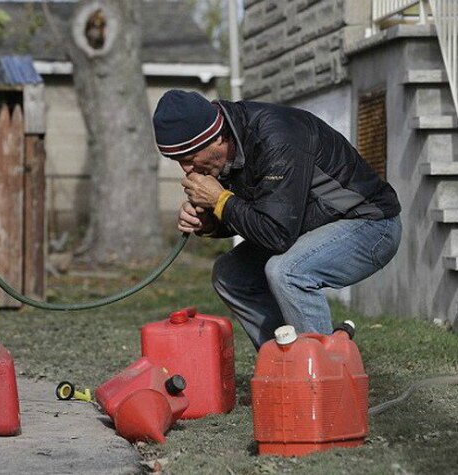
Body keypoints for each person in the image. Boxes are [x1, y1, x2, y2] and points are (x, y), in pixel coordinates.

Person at [152, 90, 402, 350]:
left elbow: (276, 234)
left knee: (288, 271)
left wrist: (220, 201)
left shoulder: (277, 138)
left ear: (217, 139)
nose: (187, 170)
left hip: (373, 225)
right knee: (230, 274)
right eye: (178, 161)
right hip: (308, 227)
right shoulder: (223, 154)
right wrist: (209, 222)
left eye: (190, 159)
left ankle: (319, 374)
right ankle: (281, 362)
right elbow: (258, 216)